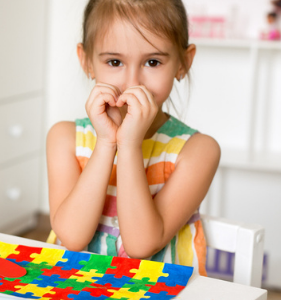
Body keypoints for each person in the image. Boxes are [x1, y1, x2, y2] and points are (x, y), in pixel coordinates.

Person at [46, 0, 220, 275]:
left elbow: (141, 245)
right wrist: (106, 143)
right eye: (114, 62)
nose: (132, 83)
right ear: (86, 61)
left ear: (183, 63)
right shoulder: (65, 138)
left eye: (153, 62)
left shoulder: (197, 151)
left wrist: (128, 145)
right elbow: (72, 237)